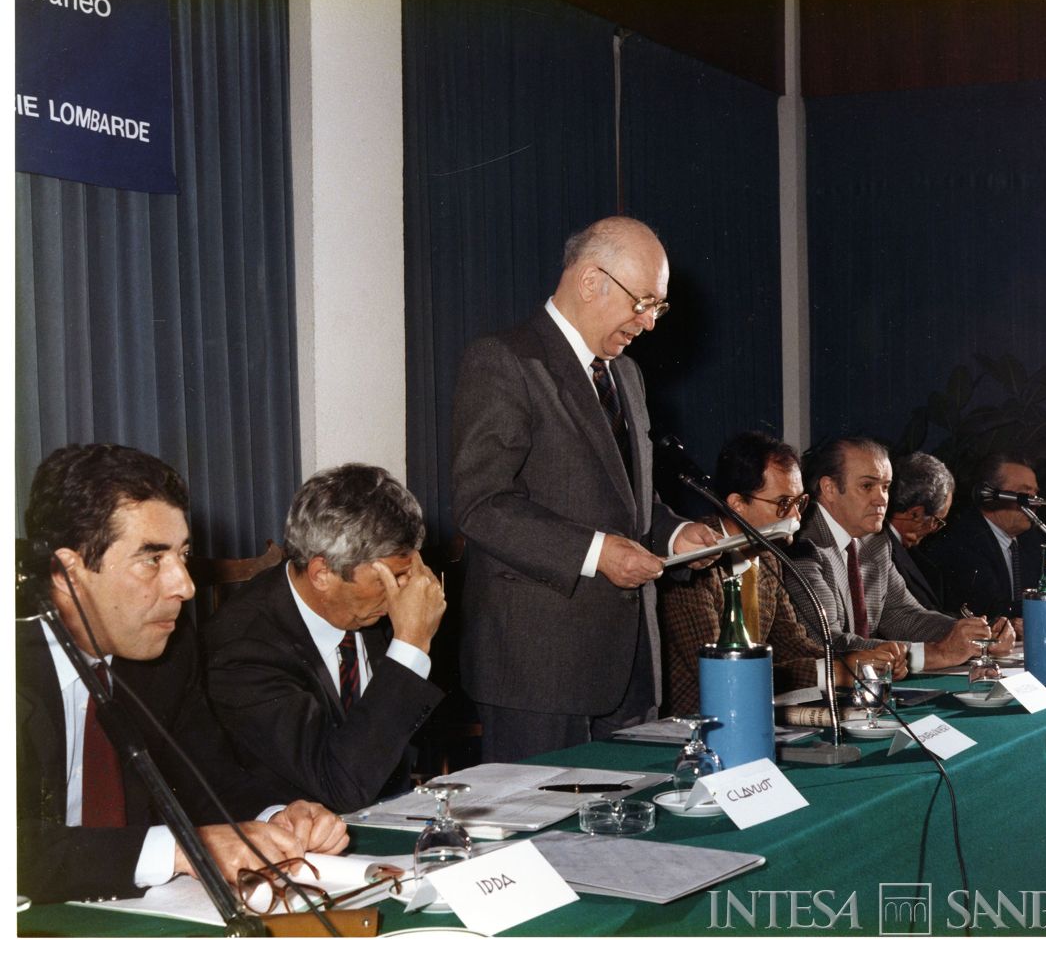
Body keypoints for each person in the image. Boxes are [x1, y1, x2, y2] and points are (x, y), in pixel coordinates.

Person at [17, 443, 347, 905]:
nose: (185, 586)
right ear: (67, 573)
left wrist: (277, 818)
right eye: (153, 559)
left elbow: (208, 781)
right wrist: (184, 848)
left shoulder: (169, 654)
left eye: (182, 555)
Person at [450, 216, 718, 762]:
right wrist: (598, 553)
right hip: (538, 669)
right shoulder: (505, 360)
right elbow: (482, 504)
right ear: (592, 281)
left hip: (631, 666)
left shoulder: (628, 377)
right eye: (643, 302)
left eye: (657, 307)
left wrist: (677, 535)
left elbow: (629, 505)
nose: (648, 323)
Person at [204, 464, 447, 814]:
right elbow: (341, 786)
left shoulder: (368, 607)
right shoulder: (243, 649)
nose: (406, 593)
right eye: (393, 578)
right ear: (322, 574)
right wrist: (410, 644)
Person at [660, 432, 908, 715]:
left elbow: (793, 644)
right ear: (738, 504)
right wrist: (836, 671)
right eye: (782, 504)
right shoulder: (695, 563)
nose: (795, 518)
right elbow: (724, 670)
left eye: (799, 503)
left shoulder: (768, 557)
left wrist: (857, 662)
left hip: (756, 713)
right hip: (696, 723)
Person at [783, 437, 1013, 672]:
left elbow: (904, 615)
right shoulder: (802, 543)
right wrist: (937, 654)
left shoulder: (874, 541)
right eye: (867, 486)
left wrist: (974, 636)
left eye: (885, 487)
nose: (881, 499)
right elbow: (828, 642)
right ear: (829, 488)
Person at [921, 453, 1046, 621]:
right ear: (988, 495)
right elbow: (987, 610)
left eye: (1035, 494)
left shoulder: (1033, 541)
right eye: (1024, 493)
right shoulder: (963, 540)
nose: (1034, 502)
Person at [884, 451, 955, 612]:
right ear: (916, 514)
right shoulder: (879, 551)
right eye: (937, 521)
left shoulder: (908, 553)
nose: (936, 530)